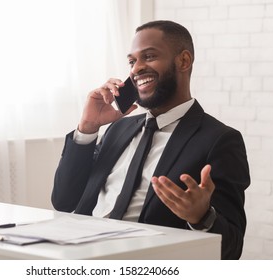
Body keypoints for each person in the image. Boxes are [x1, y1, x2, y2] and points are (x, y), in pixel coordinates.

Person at [52, 20, 250, 260]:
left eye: (149, 56)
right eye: (132, 61)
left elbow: (231, 248)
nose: (136, 69)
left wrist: (202, 217)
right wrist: (88, 128)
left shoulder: (219, 140)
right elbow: (64, 200)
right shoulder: (118, 129)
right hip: (83, 254)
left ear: (183, 61)